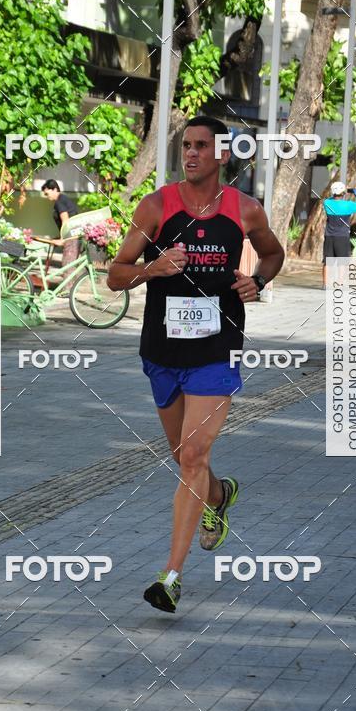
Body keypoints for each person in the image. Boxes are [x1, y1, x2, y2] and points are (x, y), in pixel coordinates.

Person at [107, 116, 285, 613]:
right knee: (181, 455)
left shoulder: (245, 210)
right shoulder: (156, 206)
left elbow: (273, 254)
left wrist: (260, 282)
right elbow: (114, 276)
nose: (191, 153)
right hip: (163, 353)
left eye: (201, 146)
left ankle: (171, 576)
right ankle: (220, 497)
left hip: (216, 350)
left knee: (191, 456)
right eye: (186, 145)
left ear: (222, 155)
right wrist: (152, 268)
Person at [322, 182, 356, 286]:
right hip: (342, 236)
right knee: (342, 261)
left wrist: (342, 191)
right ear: (343, 193)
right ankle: (340, 283)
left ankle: (325, 284)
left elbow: (330, 199)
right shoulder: (348, 205)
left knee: (328, 261)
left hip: (329, 236)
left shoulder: (327, 203)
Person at [41, 179, 80, 264]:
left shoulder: (59, 201)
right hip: (73, 236)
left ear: (54, 189)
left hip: (71, 238)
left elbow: (65, 220)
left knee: (68, 266)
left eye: (47, 193)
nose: (47, 196)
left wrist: (62, 239)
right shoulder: (63, 198)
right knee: (70, 266)